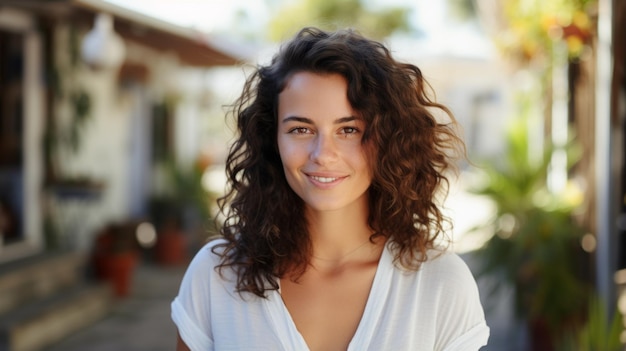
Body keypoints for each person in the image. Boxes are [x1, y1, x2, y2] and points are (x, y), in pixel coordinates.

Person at [171, 26, 490, 351]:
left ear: (389, 139)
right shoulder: (215, 275)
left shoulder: (440, 284)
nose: (322, 154)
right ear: (272, 139)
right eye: (300, 129)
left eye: (349, 129)